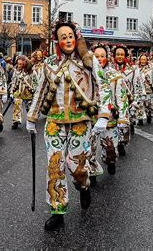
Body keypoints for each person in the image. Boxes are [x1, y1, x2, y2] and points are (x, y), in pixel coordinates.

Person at [26, 21, 111, 231]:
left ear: (76, 37)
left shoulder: (88, 61)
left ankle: (84, 186)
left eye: (70, 36)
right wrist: (31, 117)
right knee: (55, 166)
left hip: (80, 122)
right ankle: (57, 210)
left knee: (77, 168)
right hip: (54, 122)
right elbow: (41, 91)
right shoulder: (49, 63)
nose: (67, 40)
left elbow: (104, 85)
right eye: (63, 37)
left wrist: (103, 115)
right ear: (57, 40)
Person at [90, 43, 129, 181]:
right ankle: (91, 173)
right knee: (89, 150)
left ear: (107, 57)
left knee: (111, 150)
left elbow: (121, 97)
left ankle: (110, 161)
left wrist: (123, 118)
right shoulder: (86, 74)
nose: (99, 59)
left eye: (102, 56)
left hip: (110, 118)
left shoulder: (115, 75)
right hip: (90, 118)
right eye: (96, 56)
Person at [112, 44, 145, 152]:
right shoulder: (109, 69)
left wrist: (136, 101)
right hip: (111, 103)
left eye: (122, 54)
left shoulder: (133, 70)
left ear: (126, 56)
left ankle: (122, 142)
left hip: (127, 103)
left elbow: (138, 86)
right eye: (117, 54)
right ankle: (112, 146)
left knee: (124, 126)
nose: (119, 57)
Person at [9, 55, 34, 129]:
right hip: (18, 92)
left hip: (28, 92)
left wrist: (35, 92)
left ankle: (31, 120)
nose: (19, 65)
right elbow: (13, 81)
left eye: (20, 64)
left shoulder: (31, 71)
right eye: (18, 64)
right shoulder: (16, 71)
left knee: (29, 108)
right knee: (17, 105)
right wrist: (11, 92)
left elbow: (35, 82)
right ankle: (16, 121)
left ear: (25, 63)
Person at [138, 54, 153, 124]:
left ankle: (149, 116)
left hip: (149, 90)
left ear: (147, 60)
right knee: (140, 105)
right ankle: (140, 119)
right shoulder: (136, 69)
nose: (143, 61)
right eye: (141, 59)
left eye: (144, 59)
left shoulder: (152, 69)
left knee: (149, 105)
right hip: (140, 90)